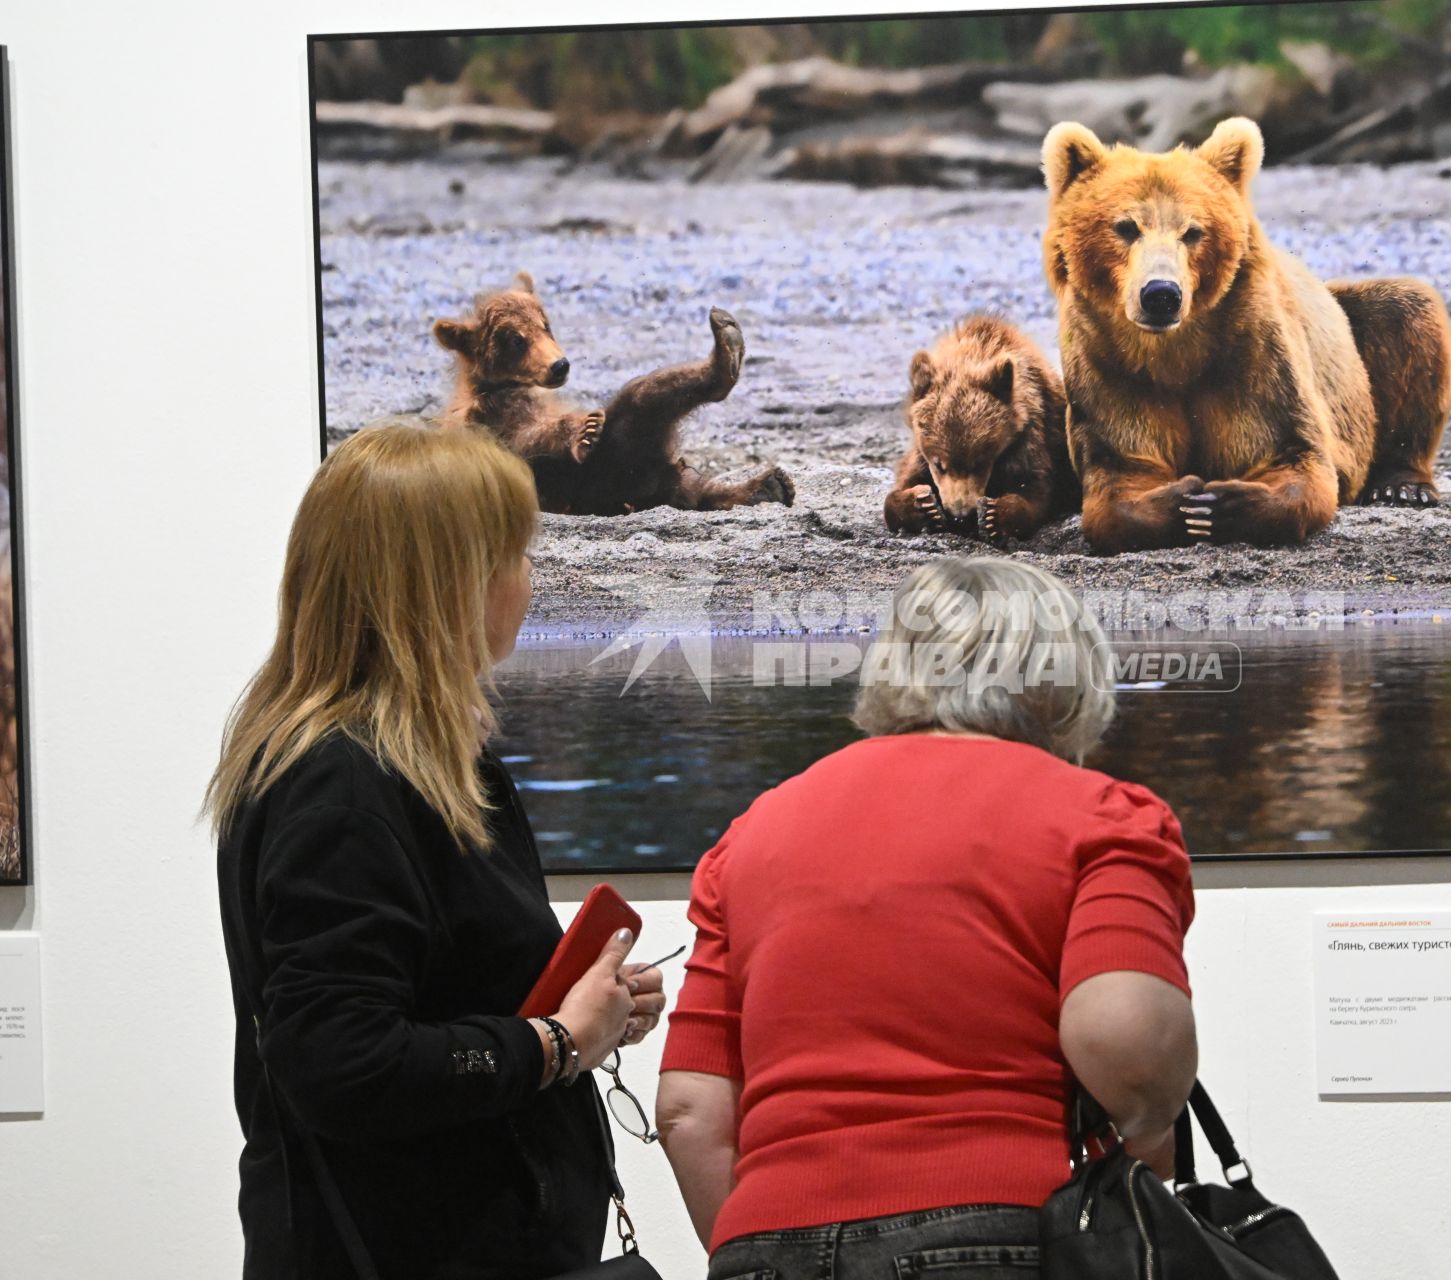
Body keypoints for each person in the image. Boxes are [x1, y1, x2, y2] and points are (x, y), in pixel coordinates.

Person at [208, 425, 666, 1279]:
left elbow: (440, 993)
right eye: (516, 555)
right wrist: (554, 1044)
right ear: (449, 582)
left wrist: (583, 1010)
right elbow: (341, 1059)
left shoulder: (433, 764)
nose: (531, 582)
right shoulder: (342, 787)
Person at [656, 558, 1198, 1278]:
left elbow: (689, 1110)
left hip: (765, 1236)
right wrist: (1148, 1129)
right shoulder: (1106, 817)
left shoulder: (750, 834)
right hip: (999, 1227)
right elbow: (1125, 1043)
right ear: (1066, 675)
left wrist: (760, 1242)